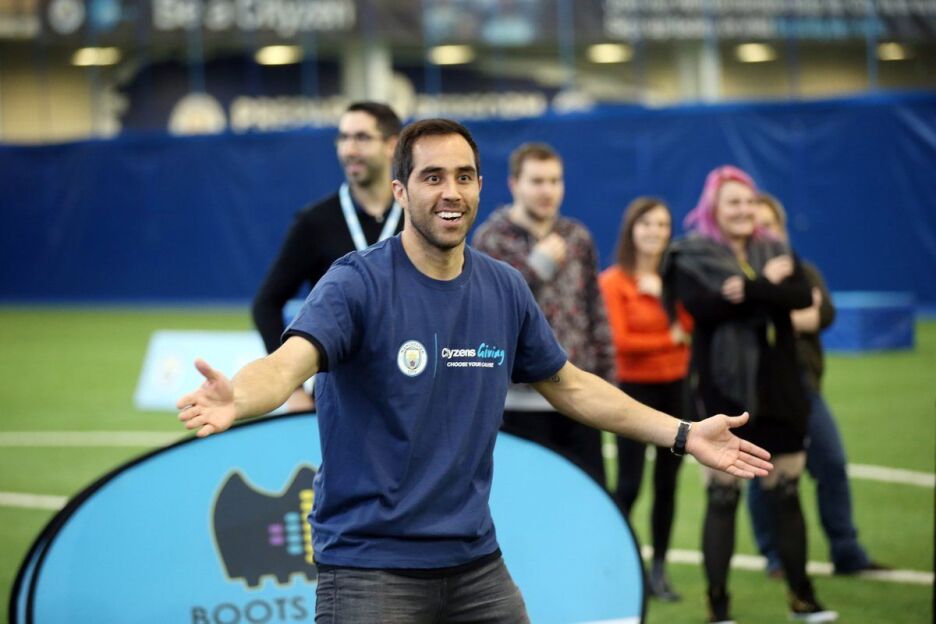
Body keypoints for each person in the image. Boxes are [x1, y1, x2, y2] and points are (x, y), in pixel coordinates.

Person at [178, 120, 773, 624]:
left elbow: (570, 385)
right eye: (432, 177)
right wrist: (239, 397)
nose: (451, 192)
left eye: (464, 177)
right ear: (401, 190)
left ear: (481, 187)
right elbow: (287, 364)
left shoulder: (503, 287)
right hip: (369, 568)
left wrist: (684, 433)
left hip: (475, 565)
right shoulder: (356, 282)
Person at [663, 166, 837, 623]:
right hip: (722, 391)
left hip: (781, 390)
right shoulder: (692, 252)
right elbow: (702, 308)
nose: (742, 210)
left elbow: (802, 298)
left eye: (748, 201)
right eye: (732, 203)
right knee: (723, 497)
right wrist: (768, 290)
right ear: (713, 209)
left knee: (787, 493)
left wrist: (753, 288)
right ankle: (718, 607)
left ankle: (803, 599)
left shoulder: (775, 247)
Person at [747, 193, 885, 577]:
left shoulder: (803, 271)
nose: (765, 233)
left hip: (804, 386)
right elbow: (750, 320)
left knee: (831, 462)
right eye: (757, 226)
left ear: (782, 228)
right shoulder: (742, 275)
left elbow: (823, 312)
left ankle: (847, 551)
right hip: (758, 393)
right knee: (764, 473)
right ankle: (774, 555)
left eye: (770, 224)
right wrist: (788, 312)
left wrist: (777, 312)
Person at [472, 142, 613, 484]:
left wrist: (607, 379)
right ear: (514, 184)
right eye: (537, 181)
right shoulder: (491, 240)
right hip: (518, 402)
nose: (547, 191)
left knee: (588, 497)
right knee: (527, 499)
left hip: (579, 395)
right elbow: (490, 311)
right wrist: (536, 268)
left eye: (554, 181)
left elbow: (595, 310)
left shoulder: (576, 237)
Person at [251, 101, 404, 412]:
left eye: (362, 137)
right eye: (343, 138)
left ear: (392, 145)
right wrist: (293, 388)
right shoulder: (315, 222)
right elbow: (266, 304)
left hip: (410, 387)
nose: (349, 149)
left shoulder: (417, 217)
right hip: (338, 399)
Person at [599, 197, 693, 602]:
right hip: (633, 392)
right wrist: (670, 338)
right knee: (630, 484)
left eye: (662, 225)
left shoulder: (676, 280)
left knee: (668, 484)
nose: (655, 231)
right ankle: (614, 562)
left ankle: (659, 572)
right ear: (632, 230)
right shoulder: (613, 282)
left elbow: (693, 328)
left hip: (677, 388)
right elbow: (621, 342)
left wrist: (664, 300)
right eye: (647, 224)